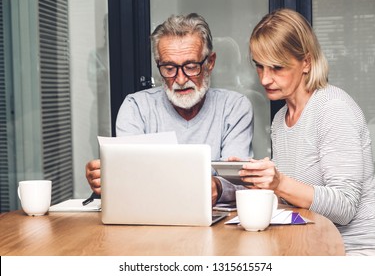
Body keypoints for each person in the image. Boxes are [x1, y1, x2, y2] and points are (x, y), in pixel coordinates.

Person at [238, 8, 375, 255]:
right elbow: (297, 197)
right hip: (314, 243)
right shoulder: (280, 120)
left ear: (306, 62)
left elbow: (344, 207)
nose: (265, 79)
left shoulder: (333, 108)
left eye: (277, 67)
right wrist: (252, 180)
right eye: (260, 66)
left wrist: (279, 183)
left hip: (361, 247)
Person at [85, 13, 254, 205]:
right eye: (169, 68)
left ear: (210, 62)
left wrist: (219, 187)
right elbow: (127, 180)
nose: (180, 80)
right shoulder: (136, 108)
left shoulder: (234, 107)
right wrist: (106, 179)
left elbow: (243, 184)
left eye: (191, 66)